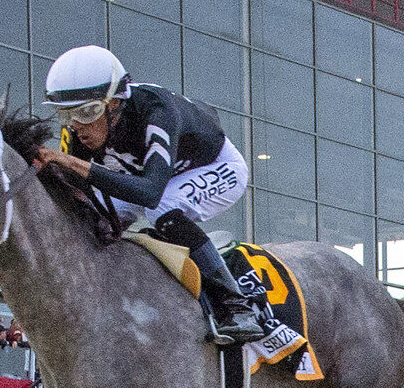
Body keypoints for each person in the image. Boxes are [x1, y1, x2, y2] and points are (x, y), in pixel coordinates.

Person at [38, 46, 263, 345]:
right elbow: (81, 193)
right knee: (98, 225)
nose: (77, 126)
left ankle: (236, 306)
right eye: (67, 115)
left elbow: (150, 193)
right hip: (152, 176)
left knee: (163, 210)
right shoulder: (80, 131)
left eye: (87, 112)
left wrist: (74, 164)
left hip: (216, 166)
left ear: (115, 103)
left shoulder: (155, 110)